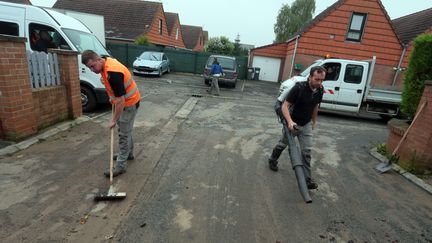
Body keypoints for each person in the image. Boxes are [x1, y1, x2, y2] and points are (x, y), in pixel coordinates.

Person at [81, 50, 141, 177]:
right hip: (125, 102)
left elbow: (121, 101)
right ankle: (128, 154)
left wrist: (113, 120)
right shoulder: (105, 62)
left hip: (129, 104)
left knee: (124, 134)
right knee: (126, 130)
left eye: (92, 66)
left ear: (98, 60)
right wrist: (111, 96)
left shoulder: (113, 72)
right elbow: (114, 91)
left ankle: (120, 166)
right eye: (89, 68)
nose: (92, 70)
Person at [268, 66, 326, 190]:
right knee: (283, 144)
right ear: (310, 77)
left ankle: (307, 179)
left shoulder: (320, 90)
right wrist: (289, 122)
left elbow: (315, 106)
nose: (320, 83)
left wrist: (313, 121)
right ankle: (272, 159)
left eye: (322, 80)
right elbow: (284, 106)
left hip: (306, 124)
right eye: (317, 79)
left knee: (306, 152)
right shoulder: (299, 88)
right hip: (293, 123)